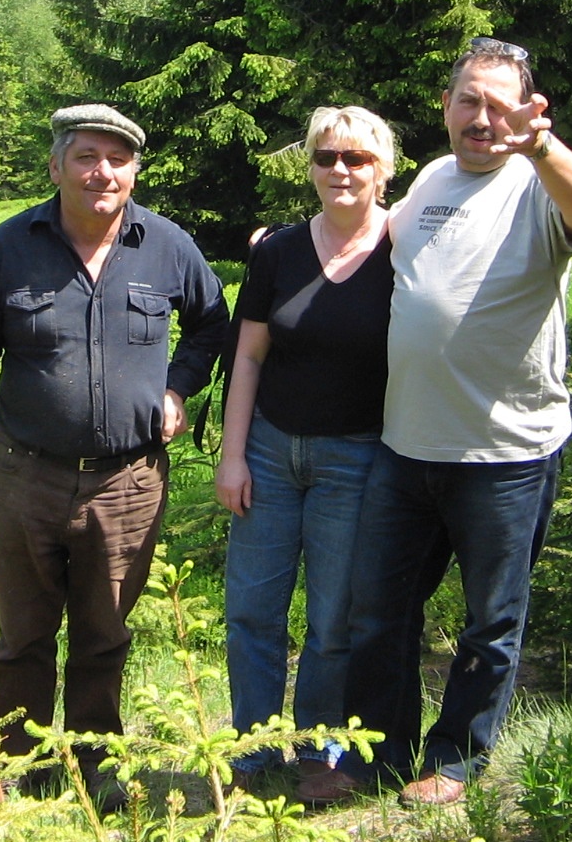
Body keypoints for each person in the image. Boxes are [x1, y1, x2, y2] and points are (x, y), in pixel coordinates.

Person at [308, 37, 572, 808]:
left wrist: (542, 147)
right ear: (445, 106)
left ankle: (456, 759)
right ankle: (376, 756)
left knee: (489, 622)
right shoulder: (433, 178)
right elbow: (371, 241)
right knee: (379, 614)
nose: (483, 118)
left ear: (527, 112)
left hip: (505, 454)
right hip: (406, 446)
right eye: (469, 101)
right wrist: (284, 247)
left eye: (500, 105)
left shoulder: (539, 183)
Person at [0, 103, 228, 799]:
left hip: (128, 483)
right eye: (86, 156)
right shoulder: (11, 245)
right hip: (26, 477)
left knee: (103, 634)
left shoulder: (167, 246)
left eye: (117, 159)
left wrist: (178, 387)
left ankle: (96, 771)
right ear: (56, 167)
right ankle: (20, 770)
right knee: (24, 636)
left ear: (134, 172)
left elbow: (212, 325)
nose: (101, 172)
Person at [214, 106, 396, 802]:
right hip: (268, 450)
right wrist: (233, 456)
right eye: (326, 157)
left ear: (382, 169)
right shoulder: (279, 251)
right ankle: (253, 750)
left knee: (333, 619)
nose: (340, 170)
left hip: (356, 456)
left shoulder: (404, 247)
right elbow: (248, 357)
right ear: (311, 168)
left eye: (356, 158)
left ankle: (323, 752)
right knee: (251, 611)